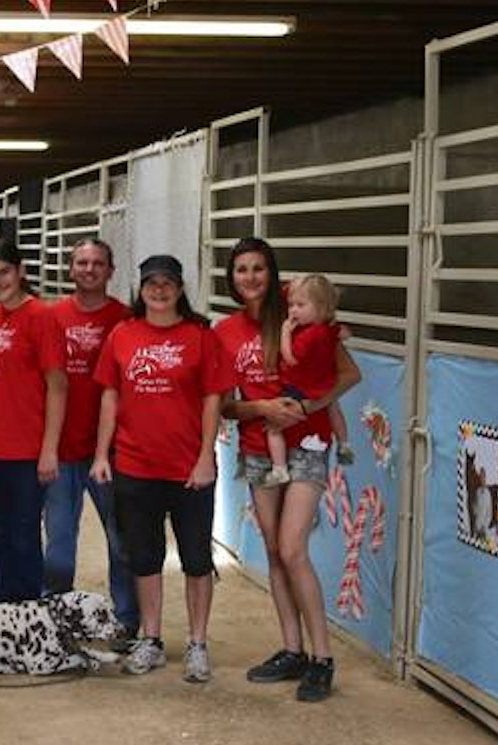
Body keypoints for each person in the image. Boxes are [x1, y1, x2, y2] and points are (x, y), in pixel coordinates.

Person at [214, 237, 360, 703]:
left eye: (259, 268)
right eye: (241, 270)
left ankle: (322, 658)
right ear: (231, 278)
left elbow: (349, 375)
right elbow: (227, 407)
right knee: (275, 551)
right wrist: (262, 408)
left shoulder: (297, 311)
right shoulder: (225, 332)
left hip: (307, 441)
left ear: (271, 273)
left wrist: (304, 407)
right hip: (258, 448)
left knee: (293, 548)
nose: (251, 277)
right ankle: (292, 649)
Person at [90, 254, 231, 683]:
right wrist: (101, 454)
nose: (160, 290)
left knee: (195, 559)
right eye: (152, 283)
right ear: (142, 288)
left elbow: (213, 400)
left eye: (168, 282)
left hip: (189, 469)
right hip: (135, 465)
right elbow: (110, 397)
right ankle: (151, 639)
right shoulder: (122, 334)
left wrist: (206, 456)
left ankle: (197, 644)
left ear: (181, 288)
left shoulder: (201, 336)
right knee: (145, 557)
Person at [41, 238, 138, 641]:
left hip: (111, 452)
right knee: (60, 543)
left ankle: (127, 621)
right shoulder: (52, 316)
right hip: (62, 451)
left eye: (98, 263)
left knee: (122, 542)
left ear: (111, 270)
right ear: (71, 268)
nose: (89, 269)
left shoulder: (126, 318)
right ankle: (56, 620)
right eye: (81, 262)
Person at [0, 237, 66, 604]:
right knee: (0, 539)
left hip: (25, 450)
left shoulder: (42, 316)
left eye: (4, 272)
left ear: (20, 271)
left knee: (25, 538)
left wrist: (49, 450)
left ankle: (29, 619)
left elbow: (58, 387)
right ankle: (4, 618)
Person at [262, 273, 353, 485]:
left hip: (299, 387)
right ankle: (344, 443)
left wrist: (285, 333)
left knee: (273, 429)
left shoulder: (308, 335)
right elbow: (344, 332)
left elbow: (291, 358)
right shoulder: (329, 328)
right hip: (324, 384)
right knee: (333, 408)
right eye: (291, 305)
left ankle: (279, 468)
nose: (292, 310)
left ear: (320, 307)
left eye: (300, 305)